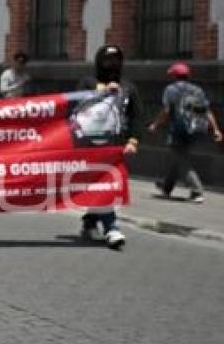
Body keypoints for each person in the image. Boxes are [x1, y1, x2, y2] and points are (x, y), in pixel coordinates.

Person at [76, 45, 141, 250]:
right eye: (107, 61)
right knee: (103, 184)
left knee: (105, 184)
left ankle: (90, 221)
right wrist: (101, 91)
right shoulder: (88, 82)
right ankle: (111, 226)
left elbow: (136, 116)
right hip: (91, 145)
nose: (111, 65)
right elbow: (75, 105)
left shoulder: (129, 87)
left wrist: (133, 141)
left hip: (117, 146)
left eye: (116, 61)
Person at [148, 62, 222, 204]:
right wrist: (216, 129)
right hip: (196, 130)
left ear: (174, 76)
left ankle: (197, 191)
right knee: (179, 156)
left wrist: (155, 124)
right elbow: (207, 111)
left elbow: (167, 110)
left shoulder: (171, 89)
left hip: (179, 129)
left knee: (181, 160)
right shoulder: (197, 90)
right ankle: (166, 187)